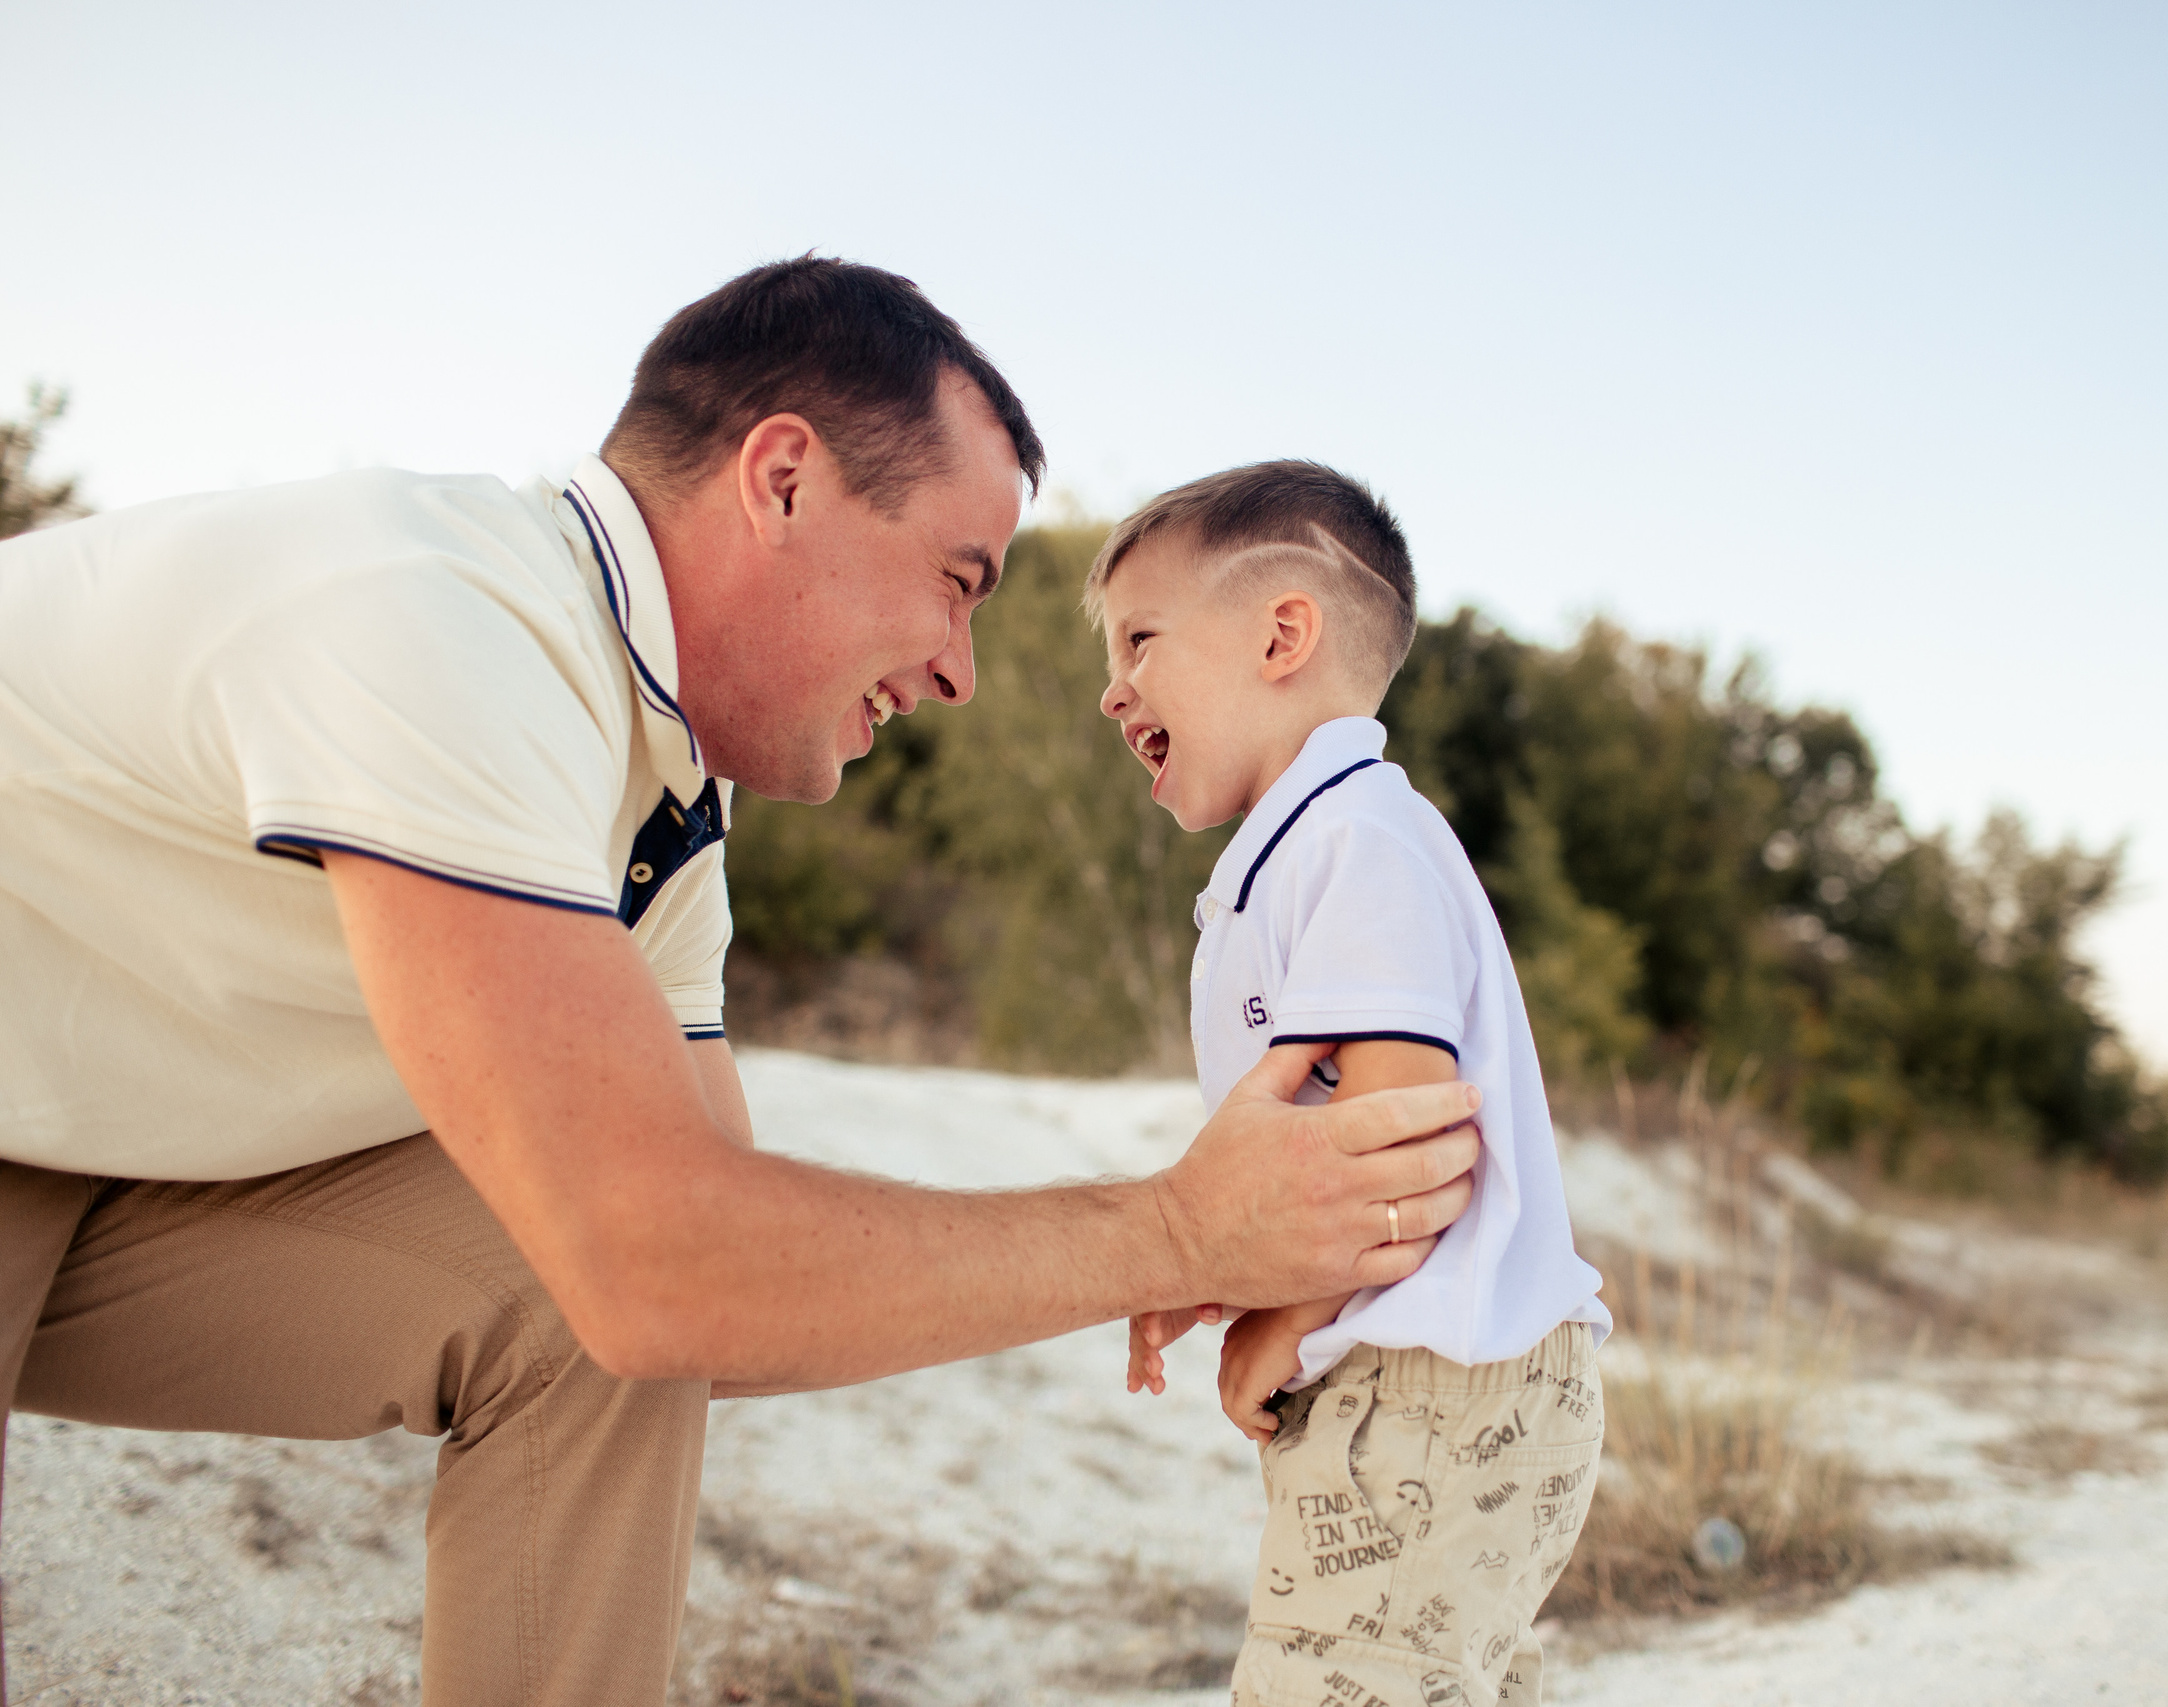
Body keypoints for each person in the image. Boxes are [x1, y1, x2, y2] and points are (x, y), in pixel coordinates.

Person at [0, 260, 1485, 1705]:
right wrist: (1167, 1229)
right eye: (957, 581)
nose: (963, 669)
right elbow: (669, 1258)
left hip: (108, 1158)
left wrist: (1170, 1249)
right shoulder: (441, 613)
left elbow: (719, 1288)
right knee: (628, 1276)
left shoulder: (665, 809)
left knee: (594, 1319)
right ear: (781, 479)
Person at [1096, 462, 1610, 1706]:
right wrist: (1215, 1270)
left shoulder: (1354, 839)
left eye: (1140, 642)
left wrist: (1281, 1317)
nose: (1114, 691)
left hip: (1429, 1385)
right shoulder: (1297, 851)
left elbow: (1400, 1146)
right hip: (1425, 1383)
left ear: (1281, 634)